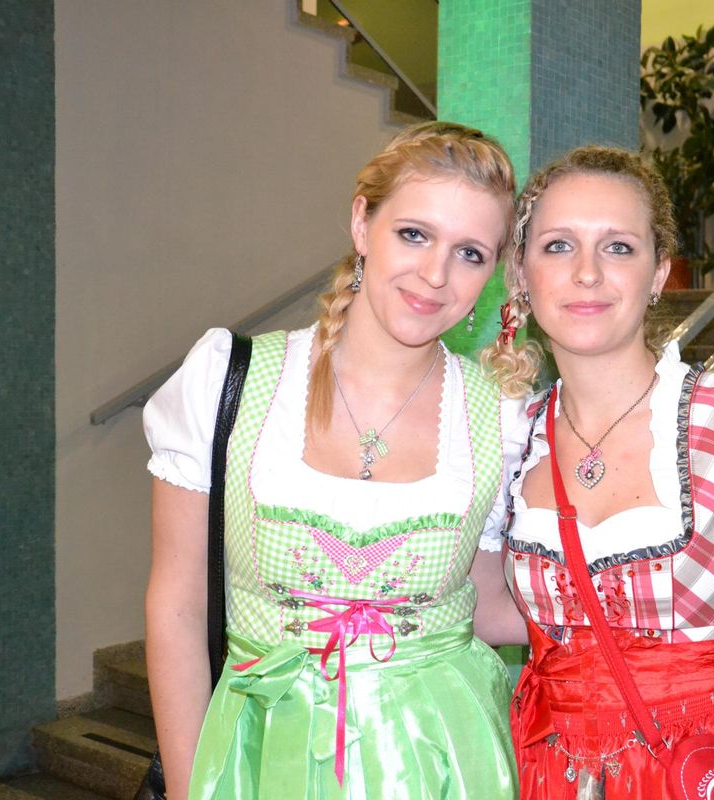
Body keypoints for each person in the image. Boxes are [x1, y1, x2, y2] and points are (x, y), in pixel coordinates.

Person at [143, 121, 528, 800]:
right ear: (361, 224)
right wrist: (186, 788)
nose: (435, 275)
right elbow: (177, 603)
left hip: (442, 758)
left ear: (492, 272)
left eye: (470, 253)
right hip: (261, 749)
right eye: (414, 234)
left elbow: (491, 604)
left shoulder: (500, 417)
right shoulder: (229, 380)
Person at [480, 146, 714, 799]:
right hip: (557, 775)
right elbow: (491, 613)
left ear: (659, 272)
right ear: (520, 272)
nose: (586, 273)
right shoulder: (511, 440)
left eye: (618, 248)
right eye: (558, 246)